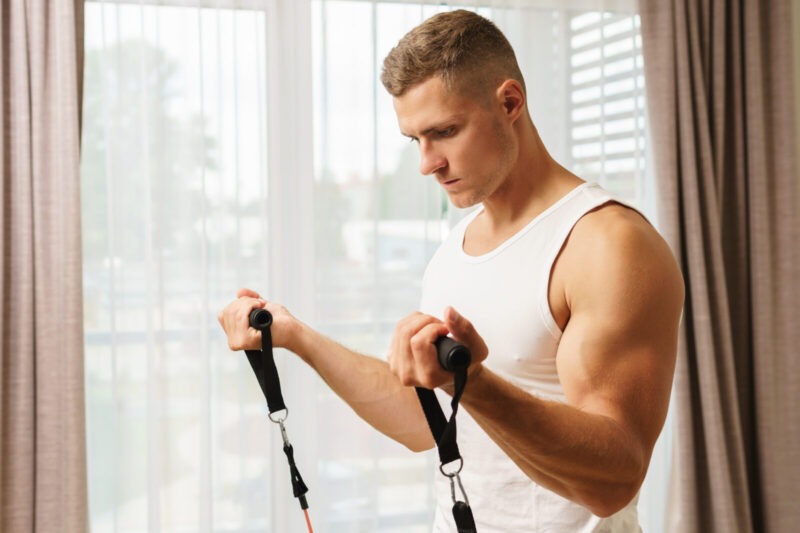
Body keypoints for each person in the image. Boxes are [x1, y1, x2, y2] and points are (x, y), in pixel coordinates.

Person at [218, 9, 684, 532]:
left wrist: (475, 383)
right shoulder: (456, 249)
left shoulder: (606, 245)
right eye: (414, 139)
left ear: (510, 103)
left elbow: (613, 481)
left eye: (444, 131)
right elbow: (426, 421)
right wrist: (295, 336)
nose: (427, 163)